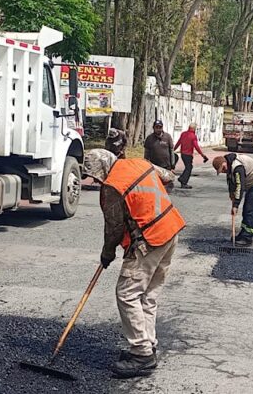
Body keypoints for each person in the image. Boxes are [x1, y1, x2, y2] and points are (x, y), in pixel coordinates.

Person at [82, 149, 186, 378]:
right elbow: (169, 177)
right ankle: (147, 344)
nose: (96, 181)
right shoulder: (139, 163)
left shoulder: (112, 186)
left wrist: (107, 253)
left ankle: (141, 354)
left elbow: (114, 227)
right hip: (170, 230)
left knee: (127, 294)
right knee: (148, 295)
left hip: (149, 240)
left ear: (102, 169)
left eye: (95, 177)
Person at [212, 153, 253, 247]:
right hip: (252, 184)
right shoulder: (229, 165)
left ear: (224, 163)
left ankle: (247, 238)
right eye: (221, 171)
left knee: (251, 211)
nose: (223, 171)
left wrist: (235, 205)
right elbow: (230, 181)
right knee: (246, 210)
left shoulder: (237, 167)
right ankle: (243, 234)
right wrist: (231, 193)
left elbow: (240, 186)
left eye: (223, 169)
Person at [173, 123, 208, 189]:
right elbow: (196, 147)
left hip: (183, 154)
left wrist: (173, 150)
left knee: (188, 167)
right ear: (194, 129)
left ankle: (182, 179)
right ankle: (183, 181)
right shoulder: (193, 136)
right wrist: (202, 155)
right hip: (188, 154)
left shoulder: (183, 134)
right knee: (189, 168)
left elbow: (178, 142)